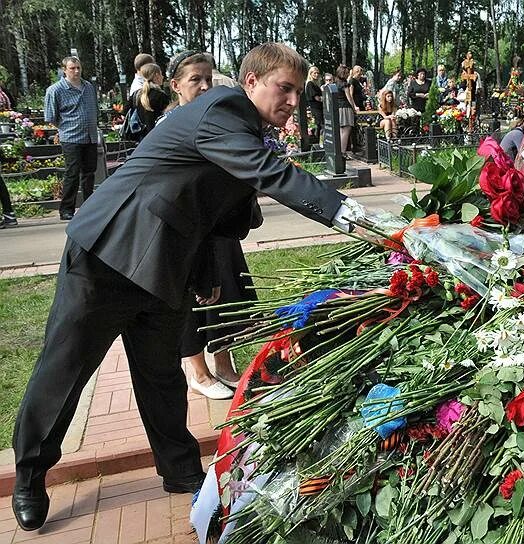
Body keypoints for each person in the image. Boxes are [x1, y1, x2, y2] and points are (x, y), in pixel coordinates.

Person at [11, 42, 360, 532]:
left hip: (163, 269)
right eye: (284, 88)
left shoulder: (247, 130)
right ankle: (30, 475)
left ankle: (178, 472)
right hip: (108, 256)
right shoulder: (221, 109)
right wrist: (350, 213)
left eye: (298, 93)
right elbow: (268, 175)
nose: (291, 101)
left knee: (161, 376)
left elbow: (218, 216)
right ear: (251, 82)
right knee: (64, 372)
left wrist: (205, 275)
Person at [163, 52, 252, 400]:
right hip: (186, 231)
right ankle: (198, 371)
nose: (203, 85)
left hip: (217, 227)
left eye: (207, 79)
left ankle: (225, 365)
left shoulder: (214, 120)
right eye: (194, 80)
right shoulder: (170, 125)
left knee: (226, 291)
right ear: (175, 86)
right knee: (192, 298)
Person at [44, 56, 99, 221]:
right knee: (72, 173)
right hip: (71, 137)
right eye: (72, 68)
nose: (76, 71)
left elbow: (94, 108)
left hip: (90, 136)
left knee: (89, 173)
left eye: (78, 68)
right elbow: (51, 116)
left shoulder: (88, 87)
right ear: (64, 70)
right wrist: (66, 127)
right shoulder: (55, 90)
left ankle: (89, 206)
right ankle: (67, 209)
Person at [123, 63, 169, 143]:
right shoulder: (161, 95)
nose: (163, 76)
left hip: (140, 137)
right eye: (161, 74)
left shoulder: (136, 94)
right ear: (156, 75)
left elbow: (125, 110)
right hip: (158, 136)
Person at [334, 64, 355, 155]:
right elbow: (349, 97)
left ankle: (339, 151)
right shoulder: (344, 84)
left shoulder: (336, 83)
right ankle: (342, 152)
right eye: (346, 73)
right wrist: (353, 107)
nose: (347, 75)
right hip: (346, 108)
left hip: (338, 108)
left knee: (341, 130)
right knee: (346, 130)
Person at [304, 65, 325, 140]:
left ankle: (319, 141)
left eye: (317, 73)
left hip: (318, 108)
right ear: (310, 74)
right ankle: (318, 141)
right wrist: (325, 99)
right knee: (320, 125)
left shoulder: (315, 84)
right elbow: (317, 98)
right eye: (314, 73)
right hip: (315, 108)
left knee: (319, 125)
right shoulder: (310, 84)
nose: (316, 75)